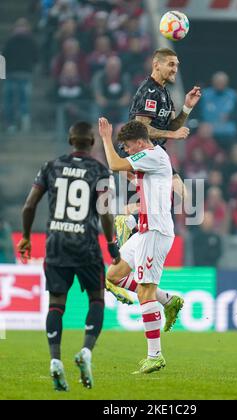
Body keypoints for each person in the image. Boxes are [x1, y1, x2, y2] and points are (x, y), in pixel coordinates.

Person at [17, 121, 125, 392]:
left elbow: (29, 205)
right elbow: (105, 213)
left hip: (56, 245)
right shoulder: (100, 170)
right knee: (97, 298)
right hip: (86, 245)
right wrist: (112, 245)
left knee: (56, 305)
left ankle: (55, 361)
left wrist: (27, 236)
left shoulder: (50, 166)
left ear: (69, 140)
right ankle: (86, 351)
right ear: (92, 142)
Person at [99, 118, 184, 374]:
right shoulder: (150, 158)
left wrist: (106, 137)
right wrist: (137, 206)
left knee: (145, 292)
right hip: (145, 231)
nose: (126, 151)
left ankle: (155, 355)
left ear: (139, 142)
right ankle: (168, 301)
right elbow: (133, 177)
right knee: (113, 275)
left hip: (155, 232)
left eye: (127, 146)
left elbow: (115, 164)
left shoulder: (151, 155)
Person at [116, 47, 201, 242]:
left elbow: (171, 125)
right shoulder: (149, 91)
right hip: (138, 155)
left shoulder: (164, 93)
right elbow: (141, 129)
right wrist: (173, 134)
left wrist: (187, 107)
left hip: (155, 155)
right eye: (171, 64)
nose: (175, 70)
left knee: (181, 193)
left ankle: (130, 217)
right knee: (162, 200)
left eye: (177, 66)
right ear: (156, 65)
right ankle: (129, 219)